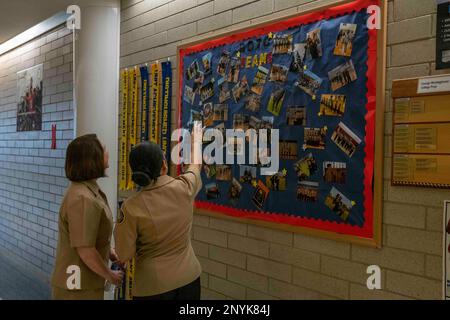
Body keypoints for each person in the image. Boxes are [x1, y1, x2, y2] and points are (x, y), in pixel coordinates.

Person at [114, 124, 203, 300]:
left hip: (154, 287)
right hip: (189, 280)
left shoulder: (131, 207)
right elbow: (196, 165)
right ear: (164, 165)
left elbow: (124, 254)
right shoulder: (184, 187)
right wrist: (197, 141)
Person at [51, 134, 123, 300]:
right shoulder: (82, 198)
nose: (107, 152)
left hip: (84, 283)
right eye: (103, 149)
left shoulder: (88, 190)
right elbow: (85, 249)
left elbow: (89, 236)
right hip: (76, 287)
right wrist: (110, 275)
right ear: (91, 158)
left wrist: (109, 252)